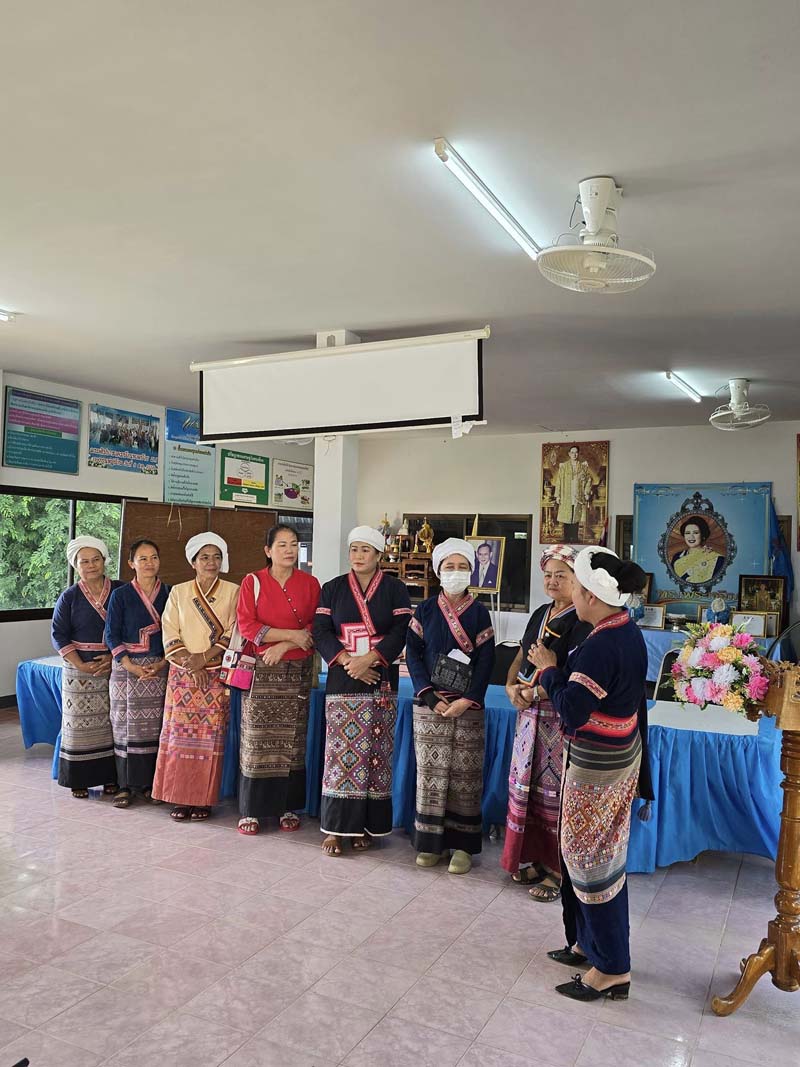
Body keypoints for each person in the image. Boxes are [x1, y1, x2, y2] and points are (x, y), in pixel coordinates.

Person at [529, 547, 651, 1003]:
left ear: (592, 596)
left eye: (575, 587)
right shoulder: (620, 629)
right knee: (592, 856)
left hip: (599, 768)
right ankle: (589, 945)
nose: (570, 594)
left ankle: (612, 969)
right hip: (614, 759)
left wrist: (548, 673)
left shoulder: (603, 644)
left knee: (591, 863)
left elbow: (573, 710)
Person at [313, 526, 412, 855]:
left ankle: (367, 827)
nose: (357, 556)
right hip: (343, 678)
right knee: (340, 754)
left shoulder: (396, 589)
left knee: (375, 754)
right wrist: (345, 660)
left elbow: (402, 630)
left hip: (380, 678)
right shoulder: (333, 588)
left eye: (365, 550)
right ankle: (336, 827)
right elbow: (321, 630)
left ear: (379, 555)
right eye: (353, 549)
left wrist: (371, 658)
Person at [500, 545, 592, 901]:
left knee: (556, 792)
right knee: (528, 787)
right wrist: (511, 685)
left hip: (558, 716)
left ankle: (557, 869)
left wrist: (537, 692)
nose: (553, 582)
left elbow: (573, 672)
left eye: (562, 575)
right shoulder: (540, 612)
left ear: (577, 579)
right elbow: (523, 654)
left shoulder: (582, 619)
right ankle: (534, 858)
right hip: (529, 716)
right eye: (549, 575)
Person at [406, 538, 496, 874]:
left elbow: (487, 661)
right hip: (430, 704)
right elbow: (413, 653)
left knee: (465, 776)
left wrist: (467, 699)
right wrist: (428, 693)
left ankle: (463, 847)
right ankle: (430, 843)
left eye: (462, 567)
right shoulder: (425, 609)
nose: (455, 573)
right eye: (449, 567)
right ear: (438, 571)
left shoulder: (479, 612)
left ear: (471, 572)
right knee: (430, 774)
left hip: (467, 707)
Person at [235, 524, 321, 835]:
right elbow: (247, 625)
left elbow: (316, 626)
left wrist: (285, 645)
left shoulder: (310, 584)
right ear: (268, 550)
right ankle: (251, 810)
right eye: (282, 544)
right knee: (256, 738)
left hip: (296, 669)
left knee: (293, 741)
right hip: (261, 668)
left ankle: (288, 806)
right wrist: (288, 637)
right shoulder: (253, 582)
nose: (289, 550)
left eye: (294, 544)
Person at [151, 533, 239, 821]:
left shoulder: (234, 591)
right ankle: (178, 796)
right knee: (179, 737)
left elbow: (233, 630)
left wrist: (205, 659)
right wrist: (193, 665)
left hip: (215, 676)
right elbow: (170, 632)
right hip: (184, 675)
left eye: (216, 556)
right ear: (193, 562)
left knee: (209, 740)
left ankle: (202, 800)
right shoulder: (178, 591)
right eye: (204, 557)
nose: (211, 562)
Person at [51, 537, 123, 798]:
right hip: (78, 670)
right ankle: (79, 780)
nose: (91, 565)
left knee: (111, 724)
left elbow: (130, 627)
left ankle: (110, 778)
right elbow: (58, 634)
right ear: (75, 565)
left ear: (105, 561)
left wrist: (113, 657)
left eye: (96, 559)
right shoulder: (69, 596)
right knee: (79, 726)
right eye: (84, 561)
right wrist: (80, 663)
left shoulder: (121, 590)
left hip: (114, 665)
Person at [104, 539, 170, 808]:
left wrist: (163, 662)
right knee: (123, 726)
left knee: (154, 727)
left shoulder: (169, 593)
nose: (149, 563)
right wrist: (129, 664)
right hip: (126, 668)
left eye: (153, 557)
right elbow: (111, 633)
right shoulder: (120, 595)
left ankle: (151, 785)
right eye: (142, 558)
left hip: (158, 667)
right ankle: (124, 786)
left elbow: (176, 632)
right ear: (131, 563)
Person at [555, 445, 593, 543]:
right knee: (567, 516)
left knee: (575, 516)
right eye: (572, 452)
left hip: (578, 495)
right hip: (566, 495)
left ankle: (574, 537)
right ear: (569, 454)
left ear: (578, 454)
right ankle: (567, 537)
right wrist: (558, 495)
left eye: (576, 452)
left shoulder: (583, 466)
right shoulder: (564, 466)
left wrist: (586, 492)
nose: (574, 454)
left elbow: (589, 479)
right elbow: (558, 481)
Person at [670, 517, 724, 584]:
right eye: (687, 533)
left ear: (703, 535)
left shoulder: (717, 559)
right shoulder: (677, 557)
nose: (691, 537)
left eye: (695, 533)